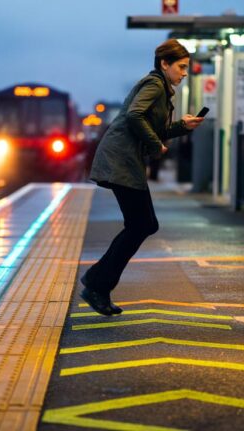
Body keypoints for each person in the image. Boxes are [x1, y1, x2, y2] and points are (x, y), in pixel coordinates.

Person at [80, 39, 204, 315]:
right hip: (120, 161)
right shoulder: (154, 85)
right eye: (181, 67)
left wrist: (184, 126)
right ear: (164, 64)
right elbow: (135, 115)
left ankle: (97, 284)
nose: (184, 73)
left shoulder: (161, 88)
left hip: (125, 162)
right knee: (142, 224)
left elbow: (151, 125)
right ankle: (96, 284)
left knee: (142, 224)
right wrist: (153, 144)